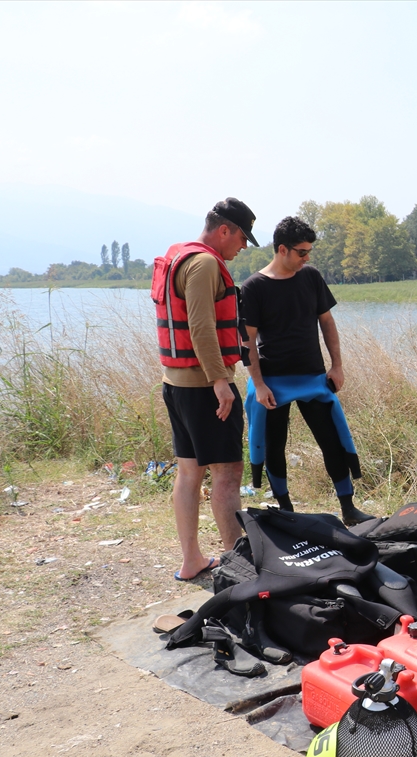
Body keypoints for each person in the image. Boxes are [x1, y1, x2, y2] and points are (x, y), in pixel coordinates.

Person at [239, 216, 374, 526]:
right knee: (275, 446)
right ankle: (286, 511)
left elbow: (327, 322)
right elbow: (246, 341)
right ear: (282, 249)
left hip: (313, 378)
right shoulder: (254, 287)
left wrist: (336, 366)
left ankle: (349, 509)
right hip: (273, 381)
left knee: (333, 440)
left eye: (309, 251)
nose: (307, 257)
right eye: (302, 252)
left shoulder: (310, 276)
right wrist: (258, 385)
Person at [155, 198, 258, 581]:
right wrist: (220, 380)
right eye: (242, 237)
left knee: (189, 473)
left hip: (177, 383)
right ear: (224, 230)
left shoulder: (181, 256)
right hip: (203, 386)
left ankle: (192, 561)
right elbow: (200, 326)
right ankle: (239, 564)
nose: (243, 247)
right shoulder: (204, 263)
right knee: (228, 472)